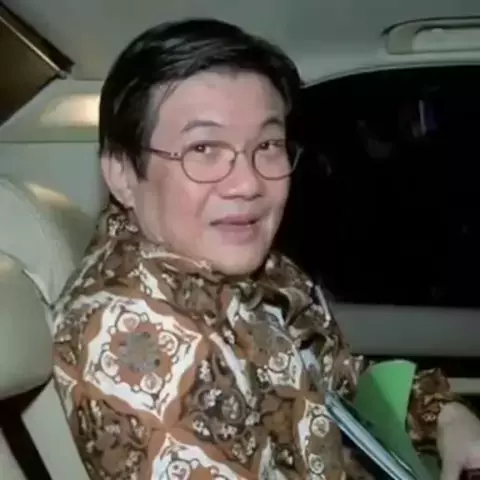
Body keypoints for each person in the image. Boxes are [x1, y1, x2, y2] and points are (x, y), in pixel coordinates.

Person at [52, 18, 480, 479]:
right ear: (122, 173)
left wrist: (445, 415)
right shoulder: (139, 340)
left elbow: (342, 381)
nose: (249, 183)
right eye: (203, 149)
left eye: (269, 144)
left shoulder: (254, 270)